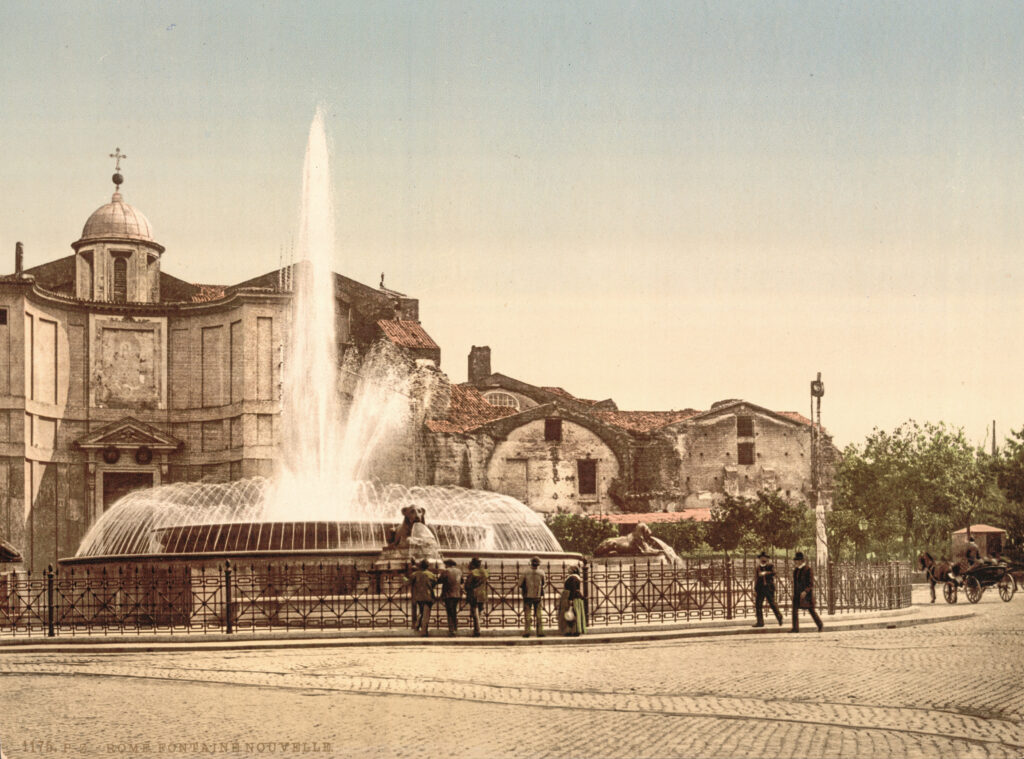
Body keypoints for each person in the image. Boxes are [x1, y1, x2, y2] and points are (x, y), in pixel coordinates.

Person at [790, 551, 823, 633]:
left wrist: (805, 591)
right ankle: (795, 628)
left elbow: (811, 583)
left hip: (806, 595)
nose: (795, 562)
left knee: (811, 610)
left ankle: (820, 624)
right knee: (794, 610)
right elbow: (795, 583)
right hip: (797, 594)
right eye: (795, 560)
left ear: (801, 561)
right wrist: (793, 593)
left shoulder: (808, 569)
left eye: (797, 560)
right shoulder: (796, 571)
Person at [752, 551, 783, 627]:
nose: (763, 559)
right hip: (760, 589)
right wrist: (755, 589)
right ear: (759, 559)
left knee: (772, 604)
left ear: (767, 558)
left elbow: (774, 573)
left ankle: (779, 617)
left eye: (764, 557)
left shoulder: (770, 565)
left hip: (769, 588)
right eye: (761, 558)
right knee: (758, 605)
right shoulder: (758, 567)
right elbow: (756, 579)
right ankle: (760, 622)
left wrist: (765, 573)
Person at [408, 559, 437, 636]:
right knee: (426, 614)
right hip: (428, 596)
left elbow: (408, 582)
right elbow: (434, 584)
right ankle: (424, 631)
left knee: (421, 611)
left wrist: (403, 577)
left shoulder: (415, 574)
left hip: (418, 596)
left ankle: (416, 626)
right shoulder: (431, 574)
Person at [519, 556, 546, 638]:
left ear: (530, 563)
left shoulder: (525, 572)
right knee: (538, 614)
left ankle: (527, 632)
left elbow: (520, 584)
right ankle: (540, 632)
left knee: (527, 614)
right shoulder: (541, 572)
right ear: (538, 564)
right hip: (537, 596)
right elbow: (544, 583)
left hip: (527, 595)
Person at [558, 565, 587, 636]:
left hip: (572, 597)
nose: (568, 569)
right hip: (574, 597)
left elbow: (573, 589)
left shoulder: (573, 578)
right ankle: (574, 630)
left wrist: (571, 599)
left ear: (573, 570)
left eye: (570, 569)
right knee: (574, 613)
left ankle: (573, 630)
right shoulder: (574, 578)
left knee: (573, 613)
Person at [464, 556, 488, 637]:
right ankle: (478, 627)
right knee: (479, 611)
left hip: (474, 594)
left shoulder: (473, 572)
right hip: (483, 594)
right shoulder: (485, 572)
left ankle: (477, 630)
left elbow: (467, 585)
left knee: (475, 613)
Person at [438, 558, 463, 636]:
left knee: (449, 611)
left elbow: (439, 580)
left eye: (446, 565)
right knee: (454, 611)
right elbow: (462, 581)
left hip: (448, 594)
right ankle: (455, 627)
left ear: (448, 564)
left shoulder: (446, 571)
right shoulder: (459, 571)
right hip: (457, 594)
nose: (445, 566)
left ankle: (451, 630)